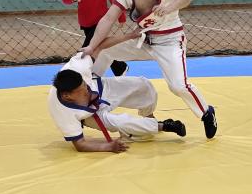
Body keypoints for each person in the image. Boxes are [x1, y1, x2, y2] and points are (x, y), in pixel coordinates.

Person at [81, 0, 218, 139]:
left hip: (170, 41)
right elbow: (108, 18)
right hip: (144, 40)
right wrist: (91, 46)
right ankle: (88, 89)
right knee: (103, 49)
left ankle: (206, 112)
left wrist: (168, 8)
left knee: (178, 86)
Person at [48, 53, 186, 154]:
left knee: (143, 85)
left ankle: (148, 119)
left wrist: (128, 36)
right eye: (82, 92)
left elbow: (98, 47)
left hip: (101, 88)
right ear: (67, 96)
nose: (86, 91)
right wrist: (107, 147)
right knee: (121, 121)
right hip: (89, 116)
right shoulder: (62, 112)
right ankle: (163, 126)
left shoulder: (78, 66)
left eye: (85, 86)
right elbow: (80, 144)